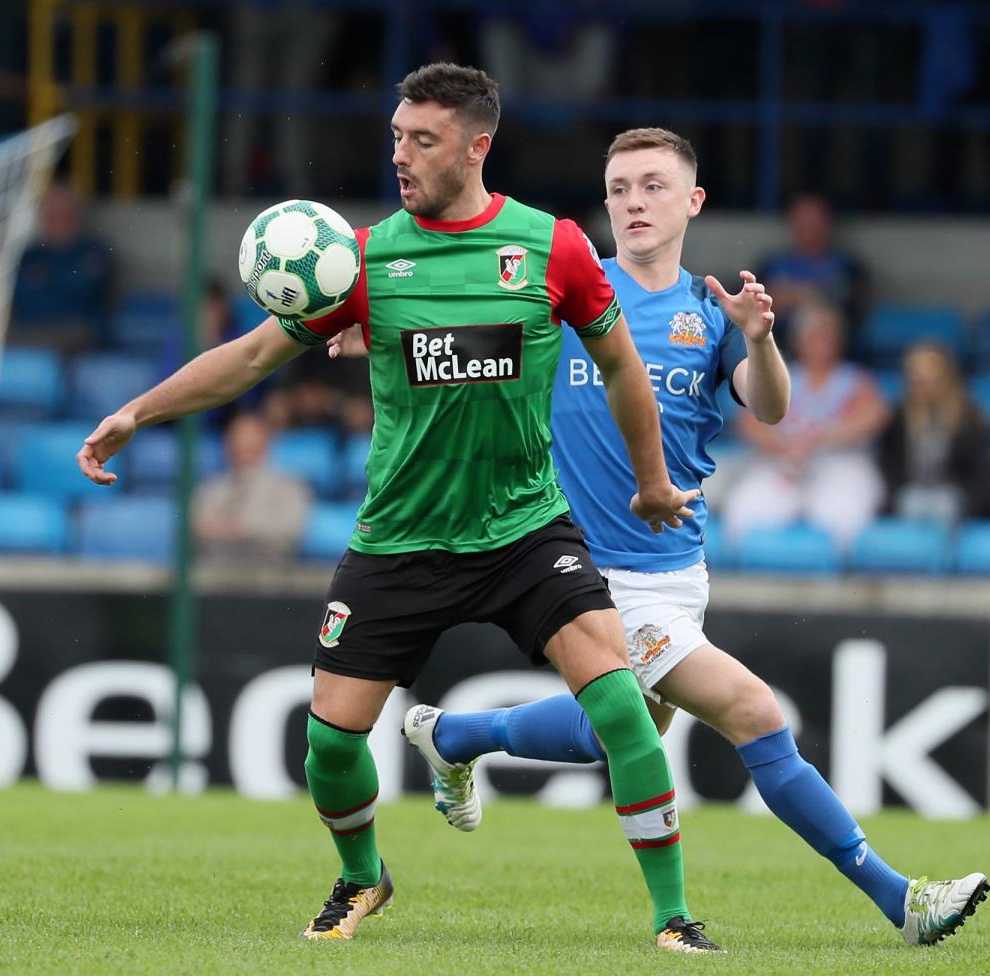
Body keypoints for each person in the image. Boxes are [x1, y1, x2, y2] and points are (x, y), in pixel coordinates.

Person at [77, 64, 714, 953]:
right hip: (400, 540)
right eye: (395, 137)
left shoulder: (551, 247)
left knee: (621, 707)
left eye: (423, 140)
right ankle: (362, 877)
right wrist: (137, 413)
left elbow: (621, 368)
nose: (401, 155)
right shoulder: (361, 261)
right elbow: (252, 357)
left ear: (477, 147)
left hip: (524, 529)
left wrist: (650, 481)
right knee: (331, 746)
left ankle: (674, 919)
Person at [398, 127, 989, 949]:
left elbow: (771, 407)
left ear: (693, 201)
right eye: (619, 188)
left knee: (619, 730)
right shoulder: (570, 293)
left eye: (653, 186)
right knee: (754, 711)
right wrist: (387, 341)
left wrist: (759, 336)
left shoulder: (709, 312)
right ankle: (902, 900)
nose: (633, 203)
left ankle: (452, 735)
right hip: (592, 573)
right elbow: (470, 354)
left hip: (679, 566)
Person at [722, 302, 889, 550]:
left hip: (838, 462)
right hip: (783, 460)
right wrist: (783, 446)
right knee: (745, 509)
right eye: (813, 336)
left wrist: (820, 439)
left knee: (840, 515)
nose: (821, 343)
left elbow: (875, 415)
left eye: (828, 336)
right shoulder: (780, 374)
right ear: (798, 340)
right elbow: (748, 421)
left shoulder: (854, 378)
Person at [877, 341, 990, 526]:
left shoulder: (968, 416)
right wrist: (894, 500)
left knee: (943, 505)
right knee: (911, 503)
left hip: (955, 498)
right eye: (918, 377)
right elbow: (888, 466)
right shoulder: (899, 416)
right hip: (910, 496)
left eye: (931, 376)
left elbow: (982, 472)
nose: (925, 383)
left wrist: (969, 510)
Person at [10, 181, 113, 354]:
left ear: (75, 215)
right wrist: (60, 281)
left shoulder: (93, 251)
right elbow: (20, 295)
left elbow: (83, 294)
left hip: (75, 331)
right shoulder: (30, 256)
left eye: (64, 214)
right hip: (28, 329)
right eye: (51, 214)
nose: (57, 220)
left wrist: (45, 281)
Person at [193, 412, 309, 566]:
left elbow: (291, 532)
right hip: (215, 571)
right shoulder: (211, 488)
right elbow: (196, 528)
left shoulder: (289, 486)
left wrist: (240, 527)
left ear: (266, 442)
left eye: (250, 440)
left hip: (270, 573)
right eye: (237, 438)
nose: (243, 445)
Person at [757, 193, 867, 336]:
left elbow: (850, 308)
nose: (809, 227)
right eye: (802, 221)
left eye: (815, 220)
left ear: (828, 223)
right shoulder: (772, 264)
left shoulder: (847, 267)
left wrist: (799, 296)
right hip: (775, 340)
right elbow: (754, 306)